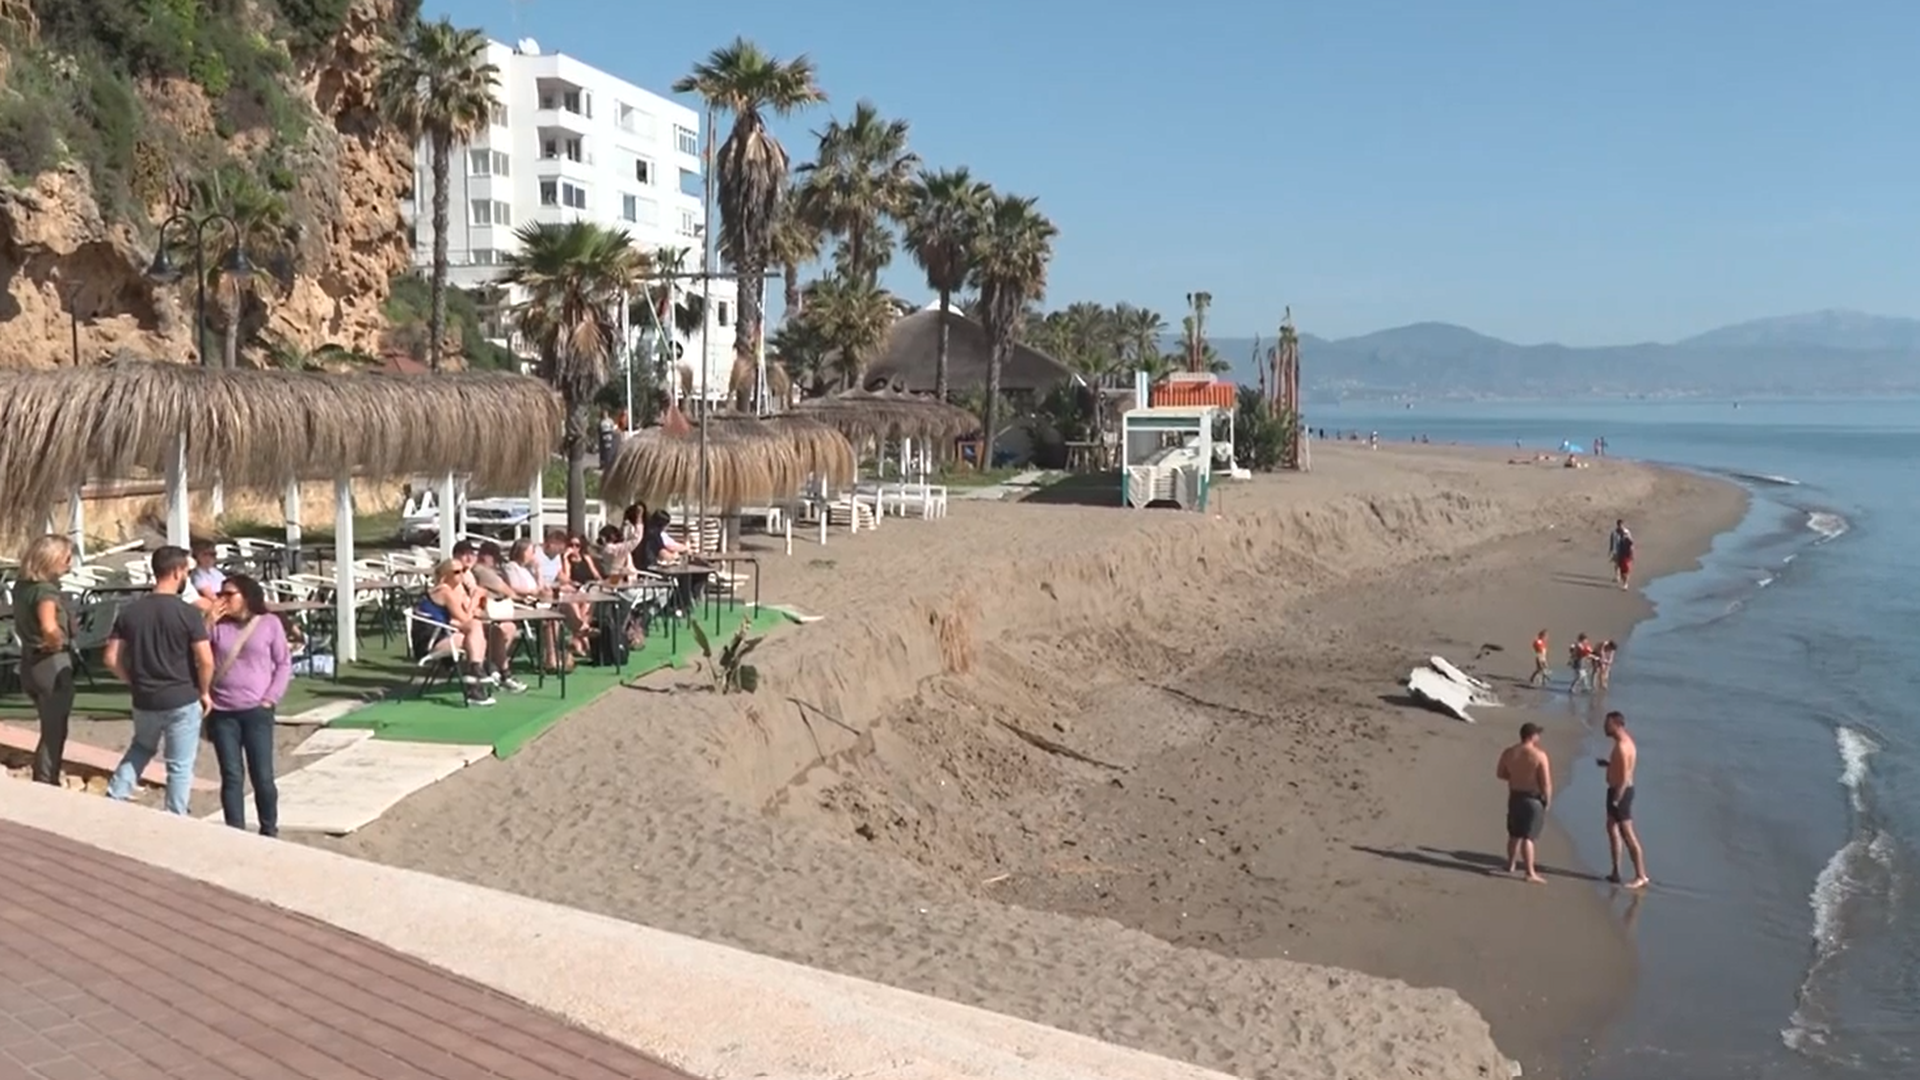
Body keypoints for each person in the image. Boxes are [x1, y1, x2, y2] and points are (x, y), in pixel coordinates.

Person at [104, 546, 213, 815]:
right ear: (177, 572)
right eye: (186, 571)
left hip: (145, 697)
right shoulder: (187, 613)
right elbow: (206, 659)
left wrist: (131, 680)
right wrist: (205, 691)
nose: (187, 576)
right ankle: (175, 815)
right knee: (179, 764)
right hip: (181, 695)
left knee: (141, 747)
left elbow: (110, 657)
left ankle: (116, 795)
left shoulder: (131, 612)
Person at [205, 574, 291, 836]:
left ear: (246, 596)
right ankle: (235, 832)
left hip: (256, 710)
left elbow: (283, 663)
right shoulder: (217, 626)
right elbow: (199, 657)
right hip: (222, 710)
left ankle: (269, 829)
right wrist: (208, 624)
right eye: (221, 594)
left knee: (262, 775)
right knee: (231, 775)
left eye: (229, 594)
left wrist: (270, 698)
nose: (223, 600)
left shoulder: (269, 624)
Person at [12, 534, 77, 786]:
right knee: (54, 731)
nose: (69, 565)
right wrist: (57, 641)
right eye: (66, 559)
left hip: (29, 661)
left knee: (49, 725)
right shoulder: (45, 592)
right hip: (51, 662)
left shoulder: (22, 587)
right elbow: (49, 626)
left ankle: (46, 777)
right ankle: (47, 781)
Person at [411, 559, 496, 706]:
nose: (462, 574)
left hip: (443, 633)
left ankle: (475, 676)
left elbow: (458, 619)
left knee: (474, 636)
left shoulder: (454, 590)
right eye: (457, 572)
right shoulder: (444, 591)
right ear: (445, 575)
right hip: (430, 642)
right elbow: (465, 619)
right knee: (475, 634)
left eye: (463, 570)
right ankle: (476, 676)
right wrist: (475, 599)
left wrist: (467, 601)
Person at [1597, 711, 1649, 888]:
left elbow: (1626, 776)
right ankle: (1615, 872)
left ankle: (1641, 875)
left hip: (1622, 793)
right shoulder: (1623, 743)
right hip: (1615, 791)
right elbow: (1622, 766)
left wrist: (1617, 799)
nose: (1604, 727)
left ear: (1617, 725)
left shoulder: (1622, 746)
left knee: (1627, 834)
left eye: (1607, 724)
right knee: (1612, 828)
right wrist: (1608, 765)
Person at [1496, 722, 1552, 883]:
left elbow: (1500, 773)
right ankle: (1530, 872)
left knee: (1514, 834)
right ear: (1532, 736)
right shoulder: (1539, 755)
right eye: (1537, 734)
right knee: (1528, 837)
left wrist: (1514, 777)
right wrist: (1547, 800)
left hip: (1515, 795)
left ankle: (1510, 864)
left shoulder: (1509, 752)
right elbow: (1546, 782)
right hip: (1532, 798)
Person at [187, 539, 227, 607]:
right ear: (196, 556)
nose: (209, 558)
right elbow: (212, 597)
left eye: (212, 554)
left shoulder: (216, 572)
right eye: (205, 554)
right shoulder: (197, 575)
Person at [1609, 520, 1635, 589]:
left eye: (1621, 525)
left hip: (1625, 553)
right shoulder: (1614, 533)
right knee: (1617, 564)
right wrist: (1611, 550)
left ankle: (1625, 583)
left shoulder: (1626, 532)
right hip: (1617, 551)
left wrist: (1632, 553)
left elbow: (1631, 543)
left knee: (1626, 568)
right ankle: (1618, 576)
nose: (1620, 526)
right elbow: (1612, 542)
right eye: (1619, 525)